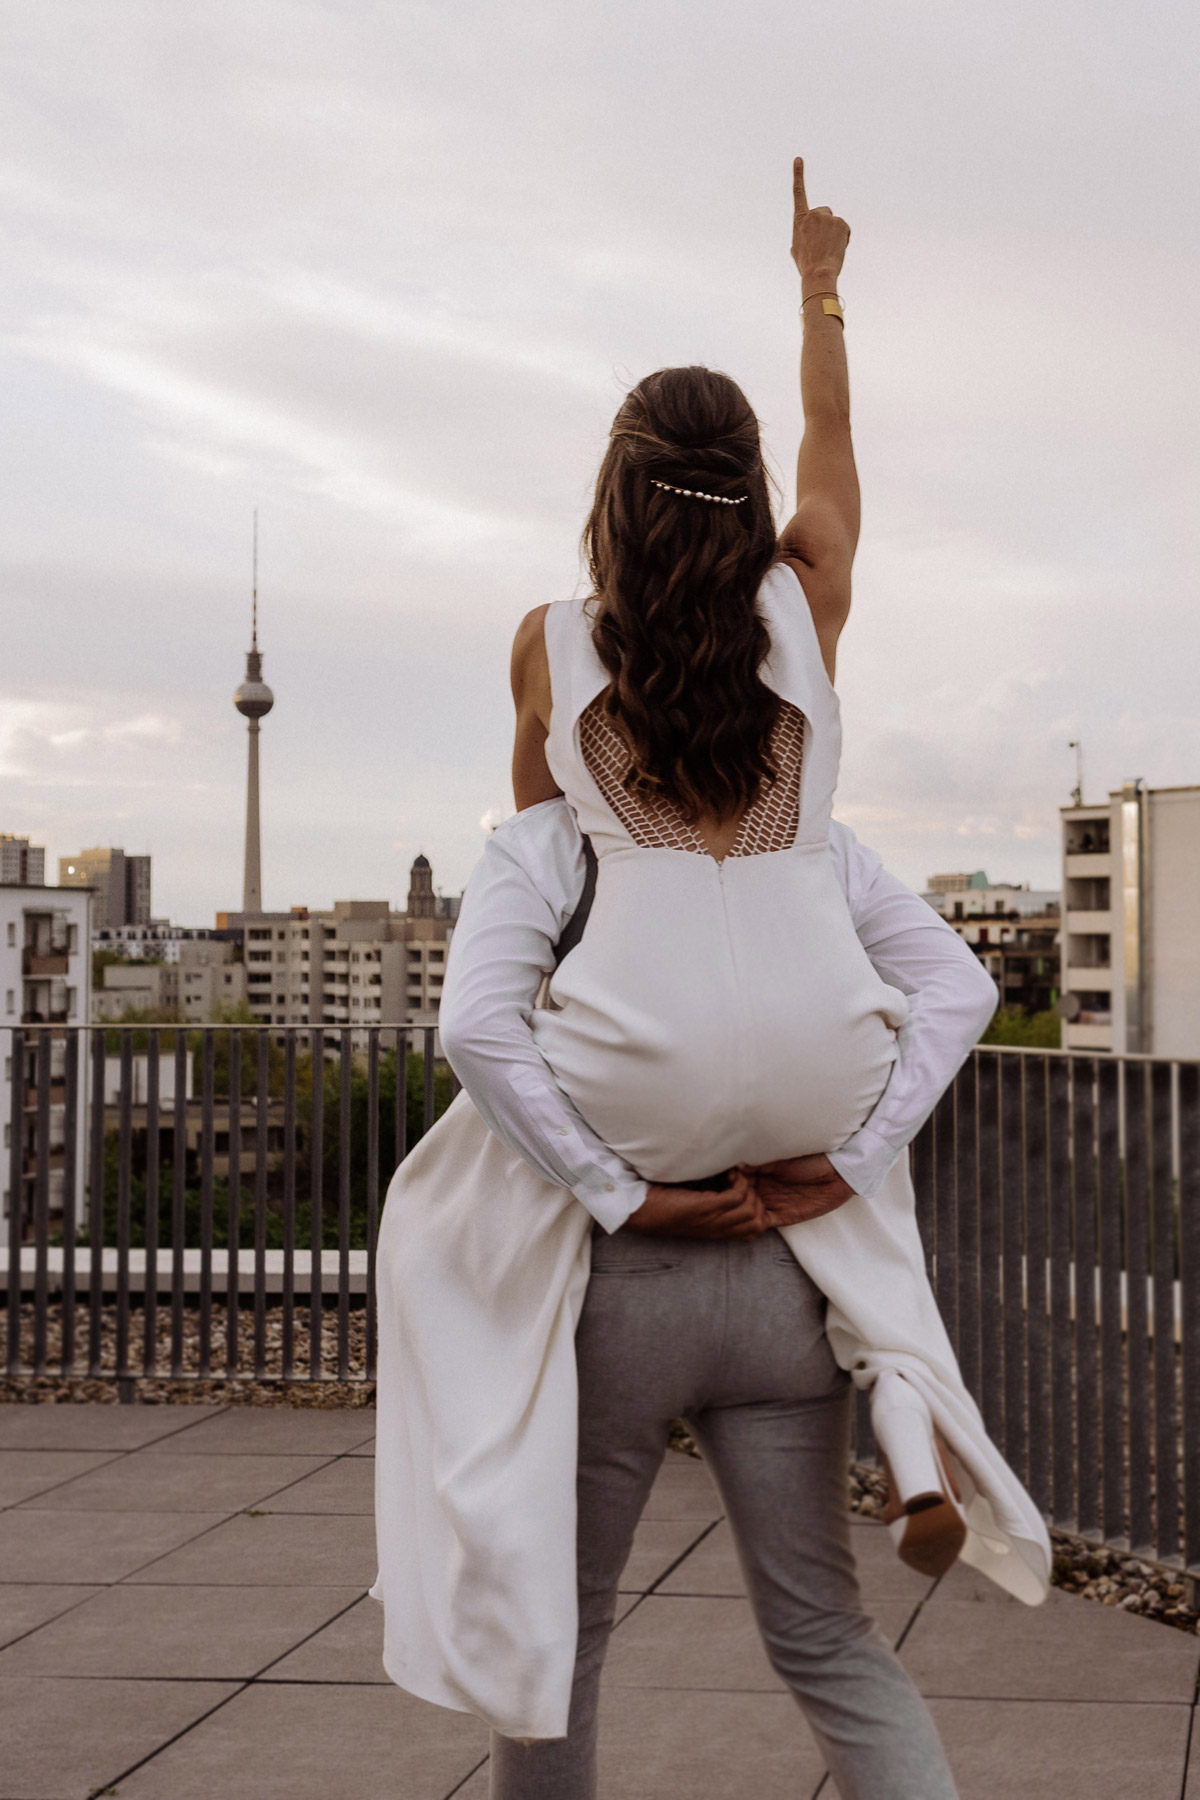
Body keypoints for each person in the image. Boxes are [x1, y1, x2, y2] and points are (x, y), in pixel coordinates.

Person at [371, 159, 1051, 1797]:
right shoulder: (805, 609)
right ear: (745, 495)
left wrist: (619, 1185)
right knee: (822, 1639)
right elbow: (836, 455)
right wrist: (819, 287)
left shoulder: (548, 639)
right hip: (786, 1268)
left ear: (613, 494)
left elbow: (539, 869)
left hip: (626, 1271)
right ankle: (912, 1434)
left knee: (565, 1640)